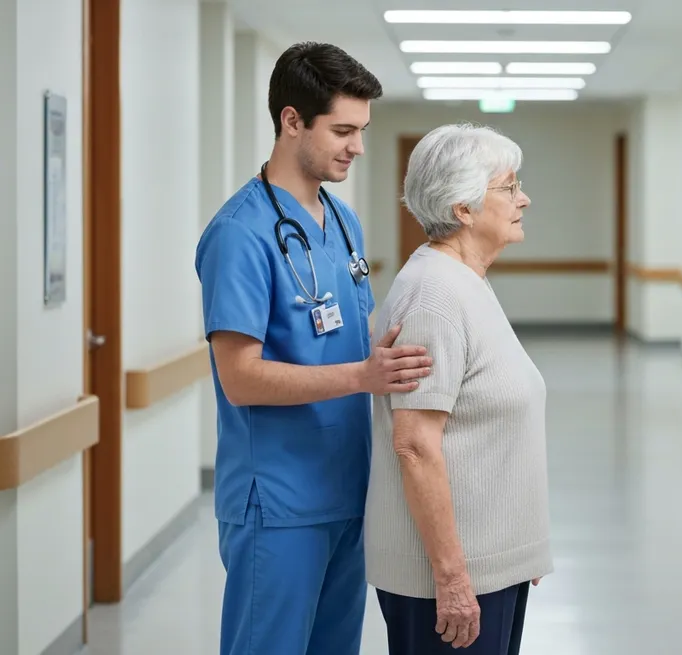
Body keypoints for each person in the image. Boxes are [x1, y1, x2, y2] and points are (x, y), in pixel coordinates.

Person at [194, 42, 433, 654]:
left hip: (347, 489)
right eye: (343, 130)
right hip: (277, 503)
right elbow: (240, 378)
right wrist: (363, 376)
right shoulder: (240, 235)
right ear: (292, 120)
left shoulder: (342, 222)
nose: (356, 146)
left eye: (363, 131)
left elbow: (355, 332)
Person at [363, 123, 553, 654]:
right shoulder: (435, 298)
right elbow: (416, 445)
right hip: (448, 581)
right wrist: (451, 580)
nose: (524, 199)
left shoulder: (467, 284)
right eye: (509, 187)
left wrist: (517, 549)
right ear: (462, 208)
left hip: (487, 566)